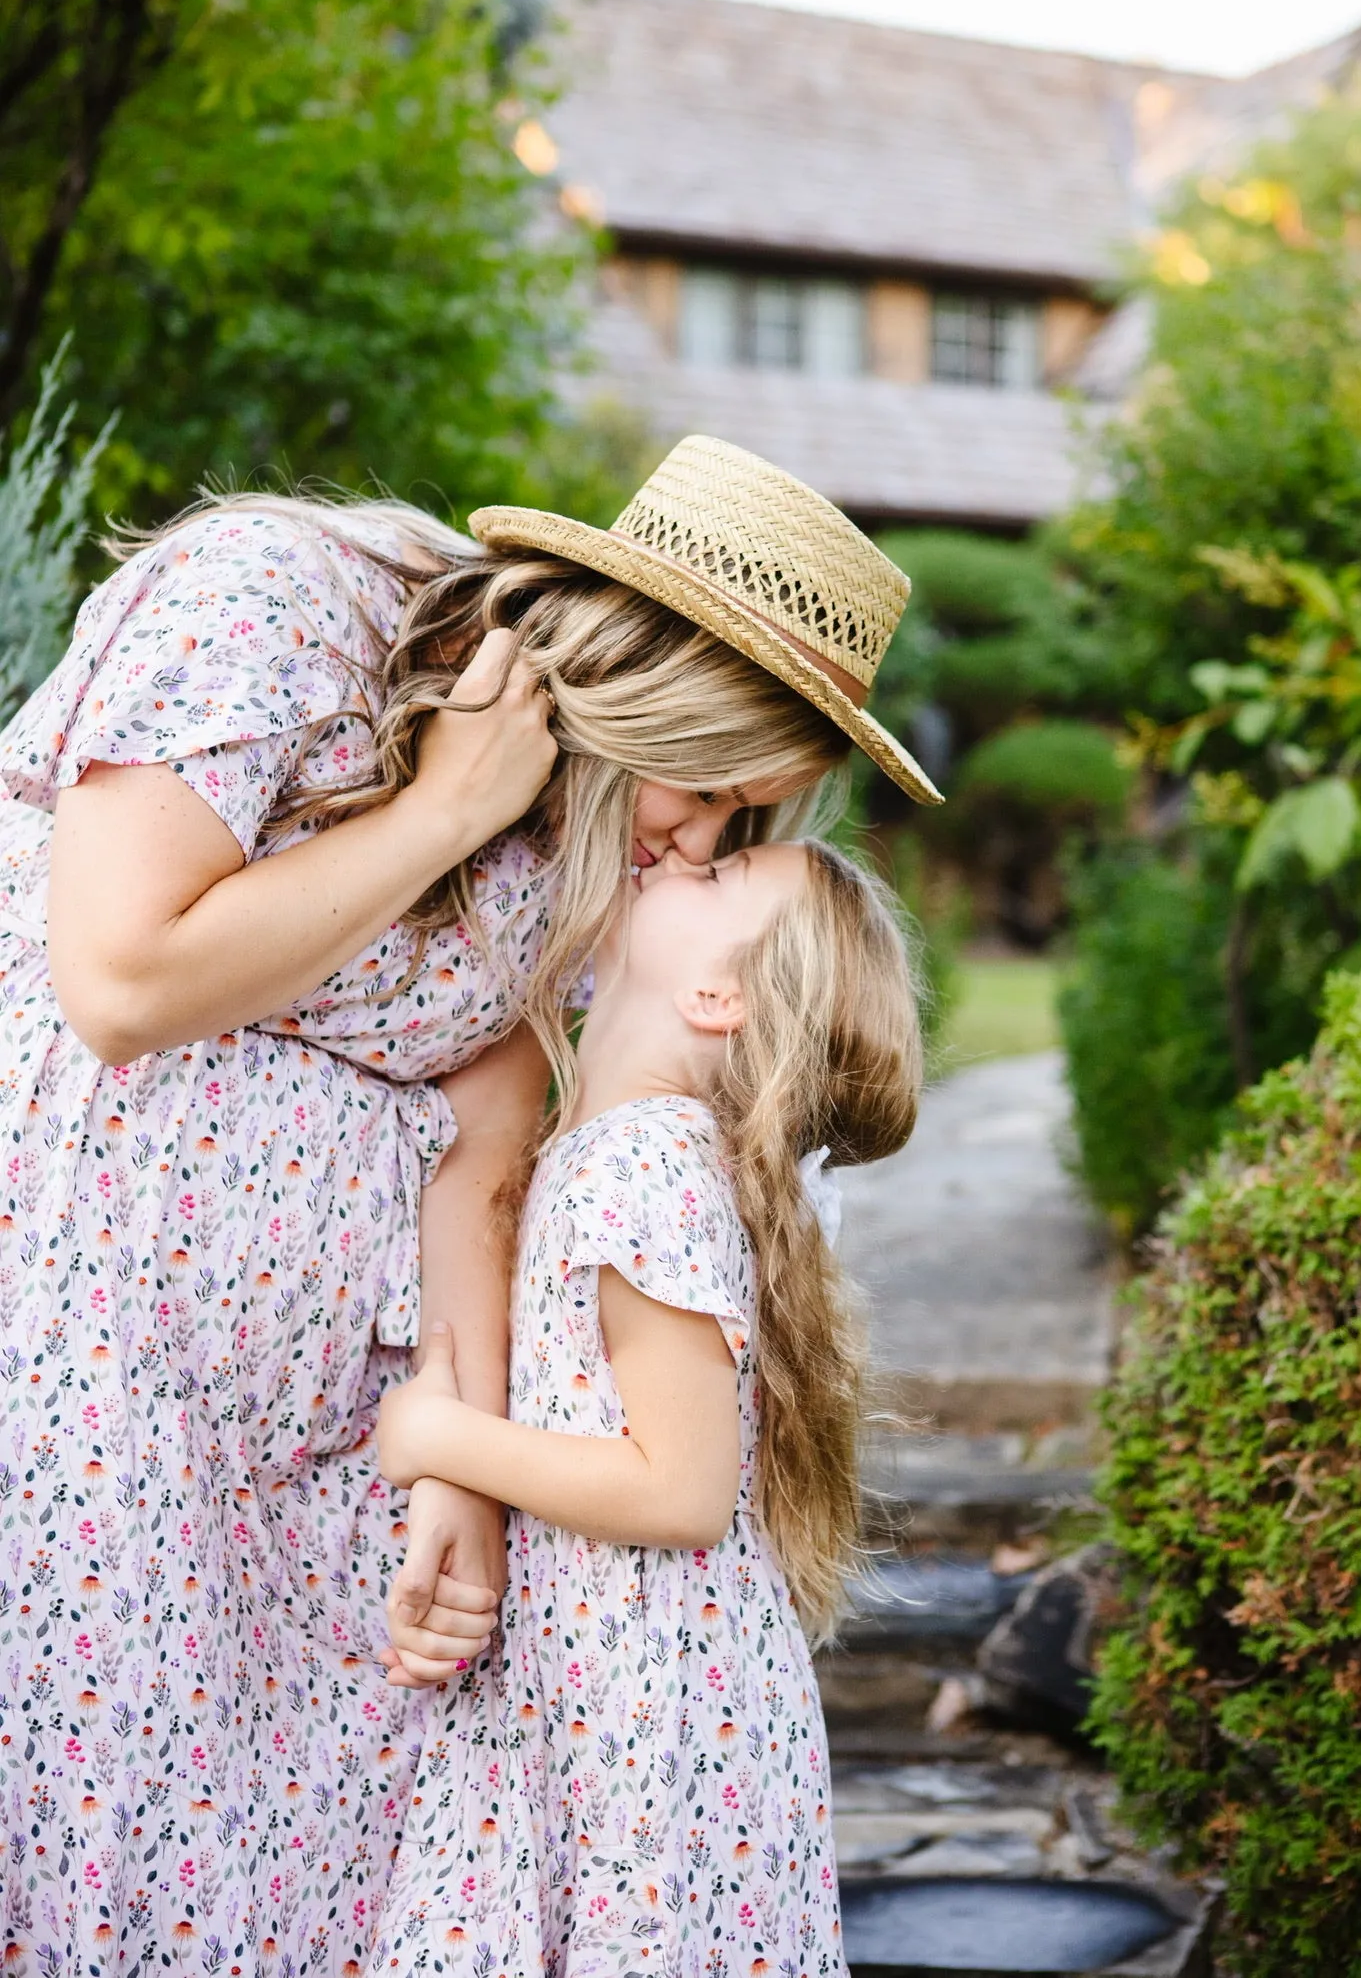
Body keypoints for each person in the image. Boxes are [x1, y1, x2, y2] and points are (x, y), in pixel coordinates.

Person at [0, 434, 938, 1970]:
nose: (693, 842)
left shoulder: (575, 830)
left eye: (737, 827)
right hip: (84, 1367)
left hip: (322, 1442)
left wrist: (462, 1468)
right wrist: (436, 811)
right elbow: (116, 983)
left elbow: (496, 1113)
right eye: (707, 788)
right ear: (646, 666)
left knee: (297, 1880)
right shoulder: (275, 607)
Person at [372, 833, 924, 1975]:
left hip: (650, 1715)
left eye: (719, 875)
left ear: (716, 994)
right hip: (626, 1692)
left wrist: (443, 1437)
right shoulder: (621, 1149)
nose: (684, 855)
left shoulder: (643, 1167)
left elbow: (679, 1489)